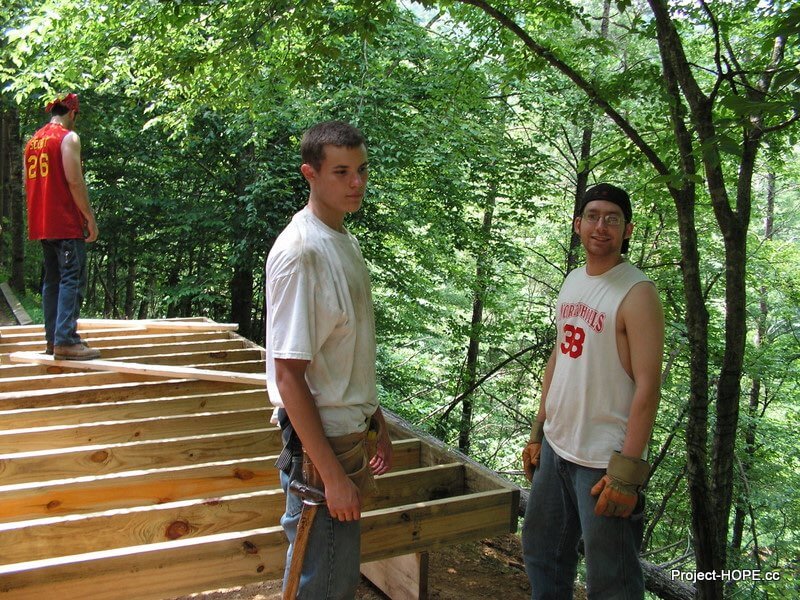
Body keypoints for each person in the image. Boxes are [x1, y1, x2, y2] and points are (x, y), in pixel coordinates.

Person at [265, 120, 393, 599]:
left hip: (346, 436)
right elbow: (288, 375)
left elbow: (344, 350)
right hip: (322, 451)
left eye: (362, 170)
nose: (356, 182)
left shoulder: (342, 239)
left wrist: (374, 416)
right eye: (341, 172)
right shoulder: (303, 254)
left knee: (333, 578)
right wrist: (334, 478)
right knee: (322, 582)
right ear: (310, 173)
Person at [521, 183, 664, 599]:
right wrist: (538, 430)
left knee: (610, 579)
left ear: (627, 230)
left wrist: (627, 474)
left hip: (604, 462)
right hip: (557, 447)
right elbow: (559, 357)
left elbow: (649, 386)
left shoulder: (637, 293)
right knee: (542, 552)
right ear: (577, 224)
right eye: (593, 216)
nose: (601, 226)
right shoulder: (574, 280)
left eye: (612, 219)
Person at [24, 93, 100, 360]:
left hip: (43, 222)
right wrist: (88, 216)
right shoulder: (68, 138)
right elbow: (74, 181)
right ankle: (66, 340)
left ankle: (53, 340)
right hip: (65, 222)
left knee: (53, 280)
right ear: (72, 113)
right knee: (72, 278)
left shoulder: (33, 141)